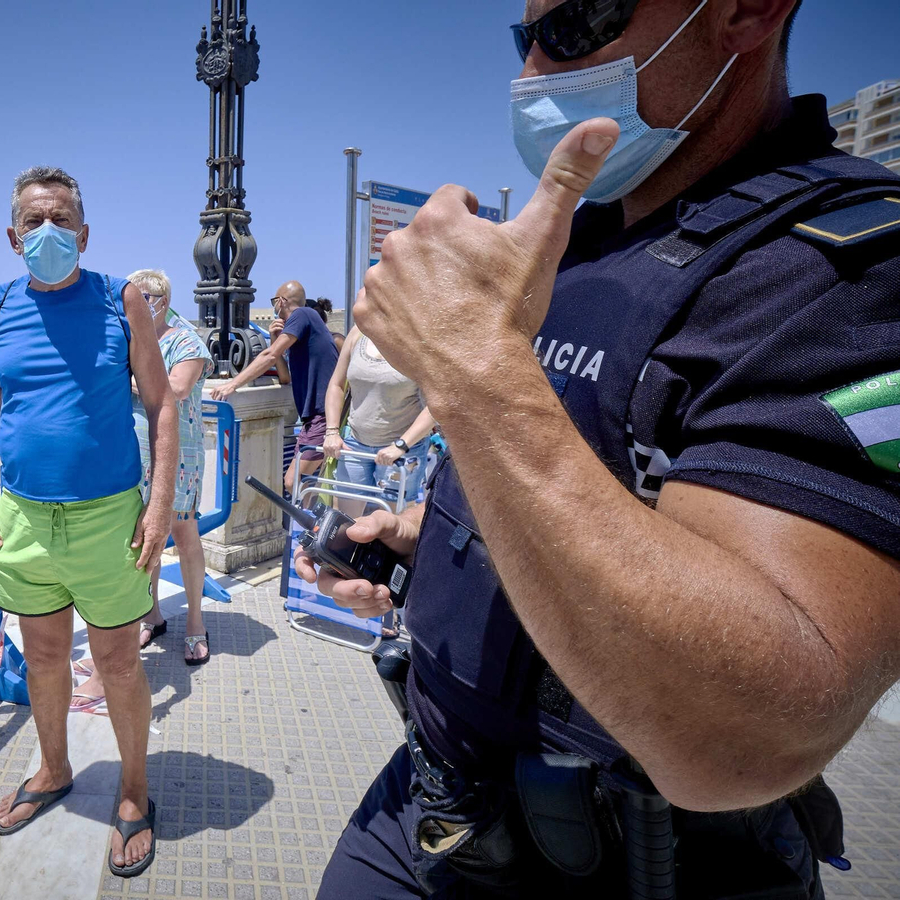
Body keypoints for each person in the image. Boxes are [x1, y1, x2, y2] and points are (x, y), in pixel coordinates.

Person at [302, 2, 900, 896]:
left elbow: (750, 734)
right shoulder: (574, 243)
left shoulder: (847, 270)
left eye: (577, 21)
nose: (535, 67)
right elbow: (582, 482)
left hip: (625, 863)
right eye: (525, 35)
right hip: (430, 799)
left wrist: (473, 371)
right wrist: (430, 543)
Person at [0, 166, 174, 877]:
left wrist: (160, 502)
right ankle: (53, 770)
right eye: (33, 220)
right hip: (21, 517)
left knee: (117, 661)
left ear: (84, 233)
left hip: (108, 517)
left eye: (60, 220)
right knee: (46, 657)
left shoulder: (123, 299)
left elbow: (161, 404)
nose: (47, 231)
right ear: (12, 234)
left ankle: (135, 790)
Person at [72, 269, 213, 712]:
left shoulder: (185, 342)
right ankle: (150, 613)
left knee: (183, 537)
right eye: (135, 294)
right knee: (139, 538)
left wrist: (122, 380)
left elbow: (175, 387)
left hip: (178, 455)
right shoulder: (128, 342)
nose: (139, 300)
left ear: (164, 298)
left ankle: (195, 621)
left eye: (148, 294)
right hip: (131, 455)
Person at [210, 280, 340, 493]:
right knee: (304, 484)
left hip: (321, 417)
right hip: (312, 419)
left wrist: (232, 384)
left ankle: (317, 525)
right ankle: (310, 525)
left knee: (292, 482)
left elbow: (270, 356)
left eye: (274, 302)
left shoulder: (302, 314)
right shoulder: (307, 322)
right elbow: (285, 377)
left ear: (281, 301)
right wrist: (273, 339)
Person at [321, 326, 437, 510]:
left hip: (404, 449)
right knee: (347, 523)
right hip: (355, 443)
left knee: (390, 527)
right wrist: (332, 431)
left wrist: (401, 445)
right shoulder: (357, 333)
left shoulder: (421, 337)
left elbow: (437, 403)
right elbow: (336, 384)